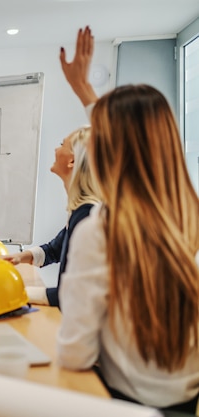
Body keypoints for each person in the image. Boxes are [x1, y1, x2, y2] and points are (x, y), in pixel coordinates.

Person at [57, 27, 199, 412]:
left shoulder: (100, 228)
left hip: (125, 404)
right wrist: (85, 91)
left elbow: (74, 355)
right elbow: (135, 139)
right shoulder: (186, 211)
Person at [2, 126, 98, 307]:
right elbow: (56, 248)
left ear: (72, 161)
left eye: (62, 145)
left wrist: (13, 291)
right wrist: (20, 257)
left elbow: (69, 295)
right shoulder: (80, 210)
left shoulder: (88, 218)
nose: (56, 149)